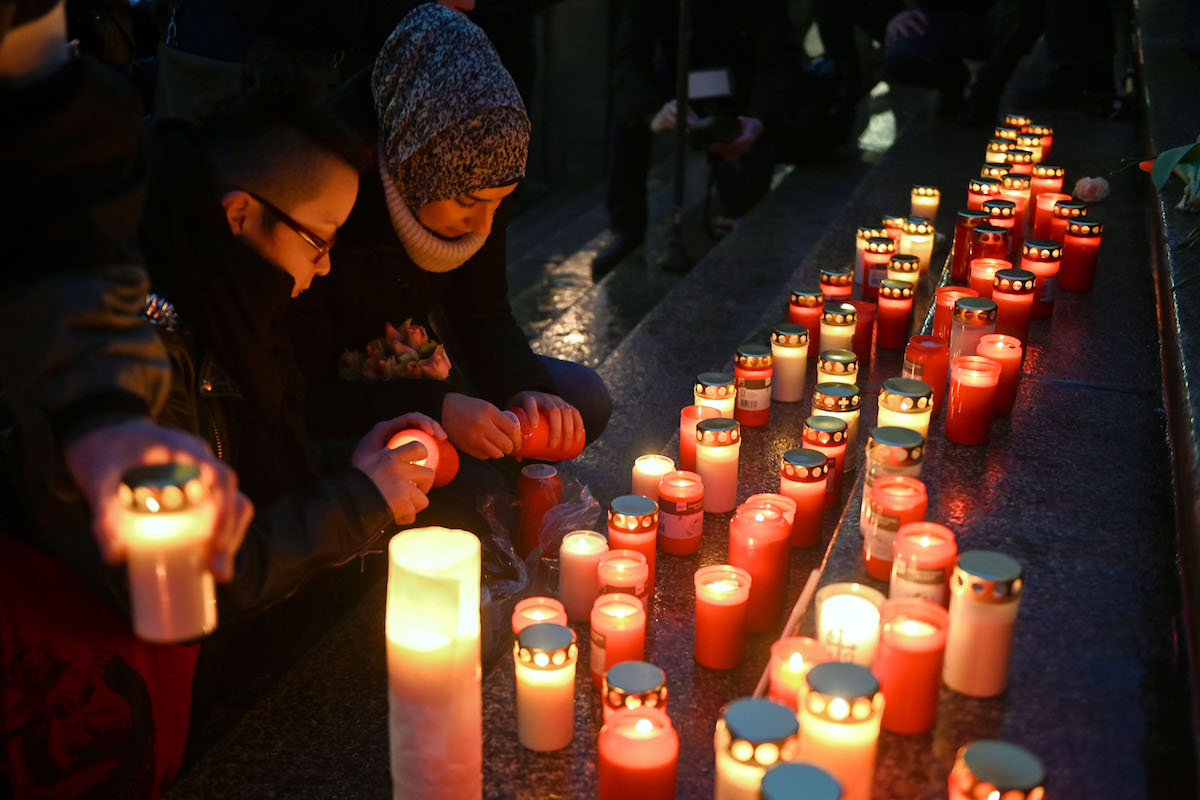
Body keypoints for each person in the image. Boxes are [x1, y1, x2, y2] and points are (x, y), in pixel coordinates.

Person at [290, 2, 611, 464]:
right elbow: (309, 394)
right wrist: (437, 408)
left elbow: (484, 315)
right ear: (413, 167)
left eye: (499, 204)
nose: (483, 226)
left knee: (583, 402)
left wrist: (527, 388)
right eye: (469, 203)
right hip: (354, 398)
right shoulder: (329, 195)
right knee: (451, 472)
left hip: (438, 362)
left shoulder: (481, 170)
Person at [593, 0, 806, 277]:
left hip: (741, 80)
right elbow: (630, 56)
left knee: (744, 194)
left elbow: (779, 57)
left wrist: (759, 120)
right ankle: (627, 227)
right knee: (626, 116)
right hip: (676, 74)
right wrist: (651, 112)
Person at [814, 0, 1043, 125]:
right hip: (933, 18)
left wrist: (987, 88)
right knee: (903, 53)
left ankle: (986, 92)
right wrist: (891, 13)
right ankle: (951, 81)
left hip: (996, 17)